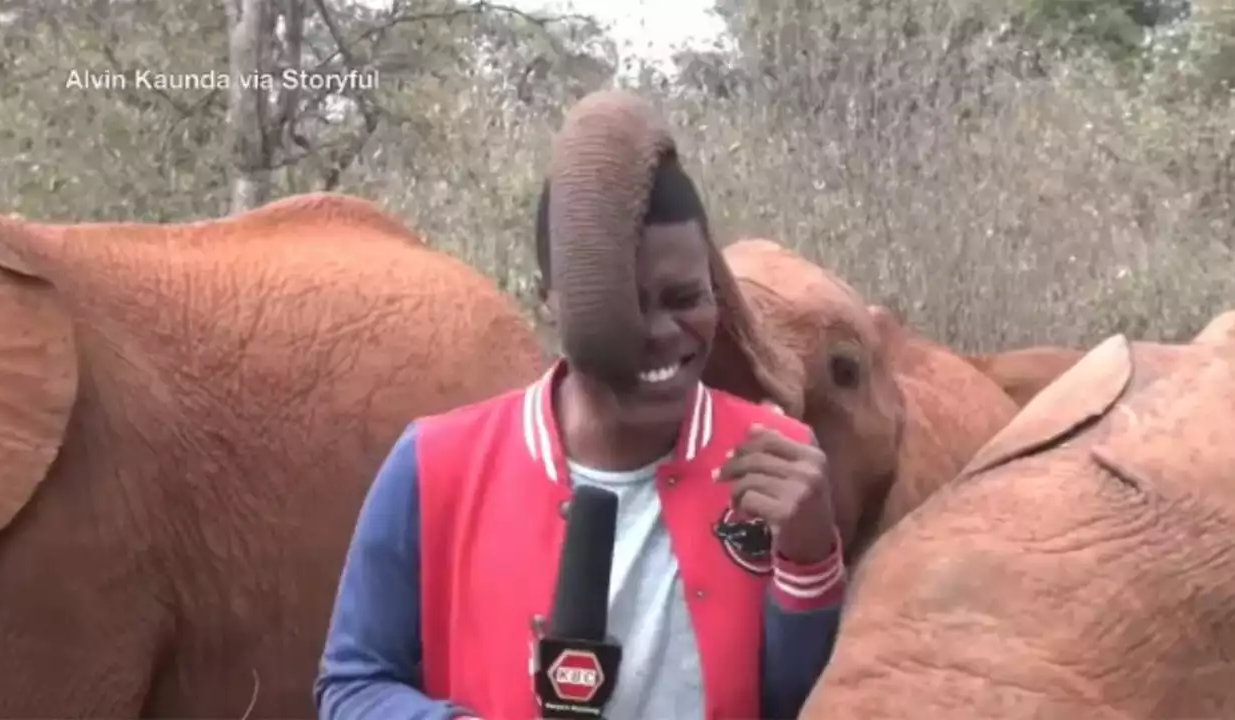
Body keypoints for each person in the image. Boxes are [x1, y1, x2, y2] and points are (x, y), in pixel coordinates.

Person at [314, 90, 846, 720]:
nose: (661, 332)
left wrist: (809, 556)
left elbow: (795, 702)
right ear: (552, 301)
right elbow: (351, 686)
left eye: (686, 299)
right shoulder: (436, 466)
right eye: (629, 305)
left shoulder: (771, 457)